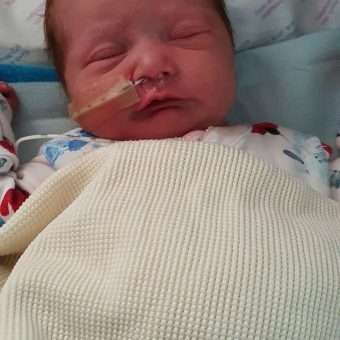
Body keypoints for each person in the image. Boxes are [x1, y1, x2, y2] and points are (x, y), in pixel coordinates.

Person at [0, 0, 339, 226]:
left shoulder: (289, 149)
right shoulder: (65, 162)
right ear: (69, 93)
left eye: (185, 35)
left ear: (230, 58)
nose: (152, 66)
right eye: (108, 54)